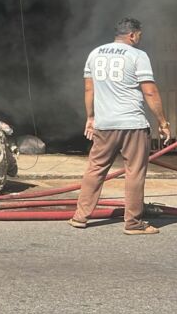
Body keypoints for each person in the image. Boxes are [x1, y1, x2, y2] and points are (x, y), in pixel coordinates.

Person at [68, 18, 171, 235]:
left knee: (95, 169)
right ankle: (133, 223)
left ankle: (80, 216)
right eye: (139, 35)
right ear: (132, 35)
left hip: (104, 125)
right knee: (134, 172)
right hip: (132, 125)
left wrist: (90, 118)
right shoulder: (138, 56)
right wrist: (162, 122)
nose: (140, 39)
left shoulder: (94, 54)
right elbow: (150, 92)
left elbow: (89, 90)